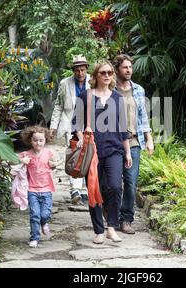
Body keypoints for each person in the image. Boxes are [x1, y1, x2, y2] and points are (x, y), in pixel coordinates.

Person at [72, 60, 132, 244]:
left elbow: (123, 128)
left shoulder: (117, 98)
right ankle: (99, 230)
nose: (107, 76)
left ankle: (111, 228)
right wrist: (81, 138)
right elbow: (76, 123)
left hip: (114, 150)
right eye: (103, 73)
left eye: (110, 73)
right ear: (96, 75)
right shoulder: (85, 96)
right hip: (92, 151)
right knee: (94, 190)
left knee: (115, 187)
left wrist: (127, 152)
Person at [113, 54, 154, 235]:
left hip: (134, 141)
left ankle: (126, 219)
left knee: (130, 182)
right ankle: (111, 216)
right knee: (112, 184)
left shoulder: (138, 89)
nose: (128, 70)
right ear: (117, 69)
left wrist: (149, 138)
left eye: (130, 67)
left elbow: (143, 116)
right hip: (113, 142)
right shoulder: (110, 89)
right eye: (125, 67)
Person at [50, 55, 90, 204]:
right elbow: (58, 105)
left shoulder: (93, 82)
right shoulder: (65, 83)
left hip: (89, 125)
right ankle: (75, 190)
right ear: (73, 70)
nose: (80, 73)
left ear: (86, 69)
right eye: (77, 70)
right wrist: (53, 126)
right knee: (75, 156)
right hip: (70, 125)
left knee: (88, 156)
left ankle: (87, 189)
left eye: (82, 70)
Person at [19, 126, 57, 248]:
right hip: (32, 190)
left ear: (45, 140)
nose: (38, 143)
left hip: (46, 190)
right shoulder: (27, 154)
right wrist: (22, 161)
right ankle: (34, 237)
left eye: (41, 140)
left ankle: (44, 222)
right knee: (35, 214)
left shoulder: (49, 153)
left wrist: (53, 164)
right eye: (35, 140)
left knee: (45, 214)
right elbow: (13, 160)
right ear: (31, 140)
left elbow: (57, 162)